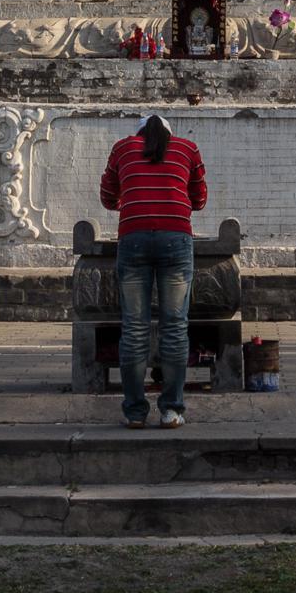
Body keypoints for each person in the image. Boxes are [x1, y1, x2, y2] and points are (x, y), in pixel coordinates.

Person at [98, 112, 208, 428]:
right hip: (176, 237)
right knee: (174, 325)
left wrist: (128, 199)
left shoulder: (122, 148)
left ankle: (134, 413)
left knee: (134, 327)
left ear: (139, 132)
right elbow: (199, 199)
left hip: (133, 238)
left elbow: (107, 196)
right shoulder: (188, 148)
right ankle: (171, 410)